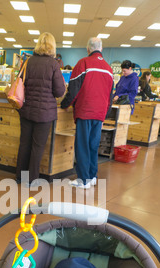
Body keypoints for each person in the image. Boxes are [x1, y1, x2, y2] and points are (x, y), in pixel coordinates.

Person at [61, 37, 113, 189]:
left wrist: (65, 104)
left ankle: (83, 179)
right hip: (100, 113)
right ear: (101, 49)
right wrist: (105, 113)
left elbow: (73, 89)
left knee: (82, 145)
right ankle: (92, 176)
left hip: (85, 111)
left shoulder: (83, 63)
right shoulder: (109, 69)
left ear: (88, 49)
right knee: (93, 145)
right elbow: (110, 96)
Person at [15, 32, 66, 185]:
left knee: (24, 143)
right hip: (44, 113)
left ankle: (19, 176)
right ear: (52, 46)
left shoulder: (28, 62)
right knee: (37, 147)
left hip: (26, 109)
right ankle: (31, 180)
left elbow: (20, 83)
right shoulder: (53, 65)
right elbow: (59, 91)